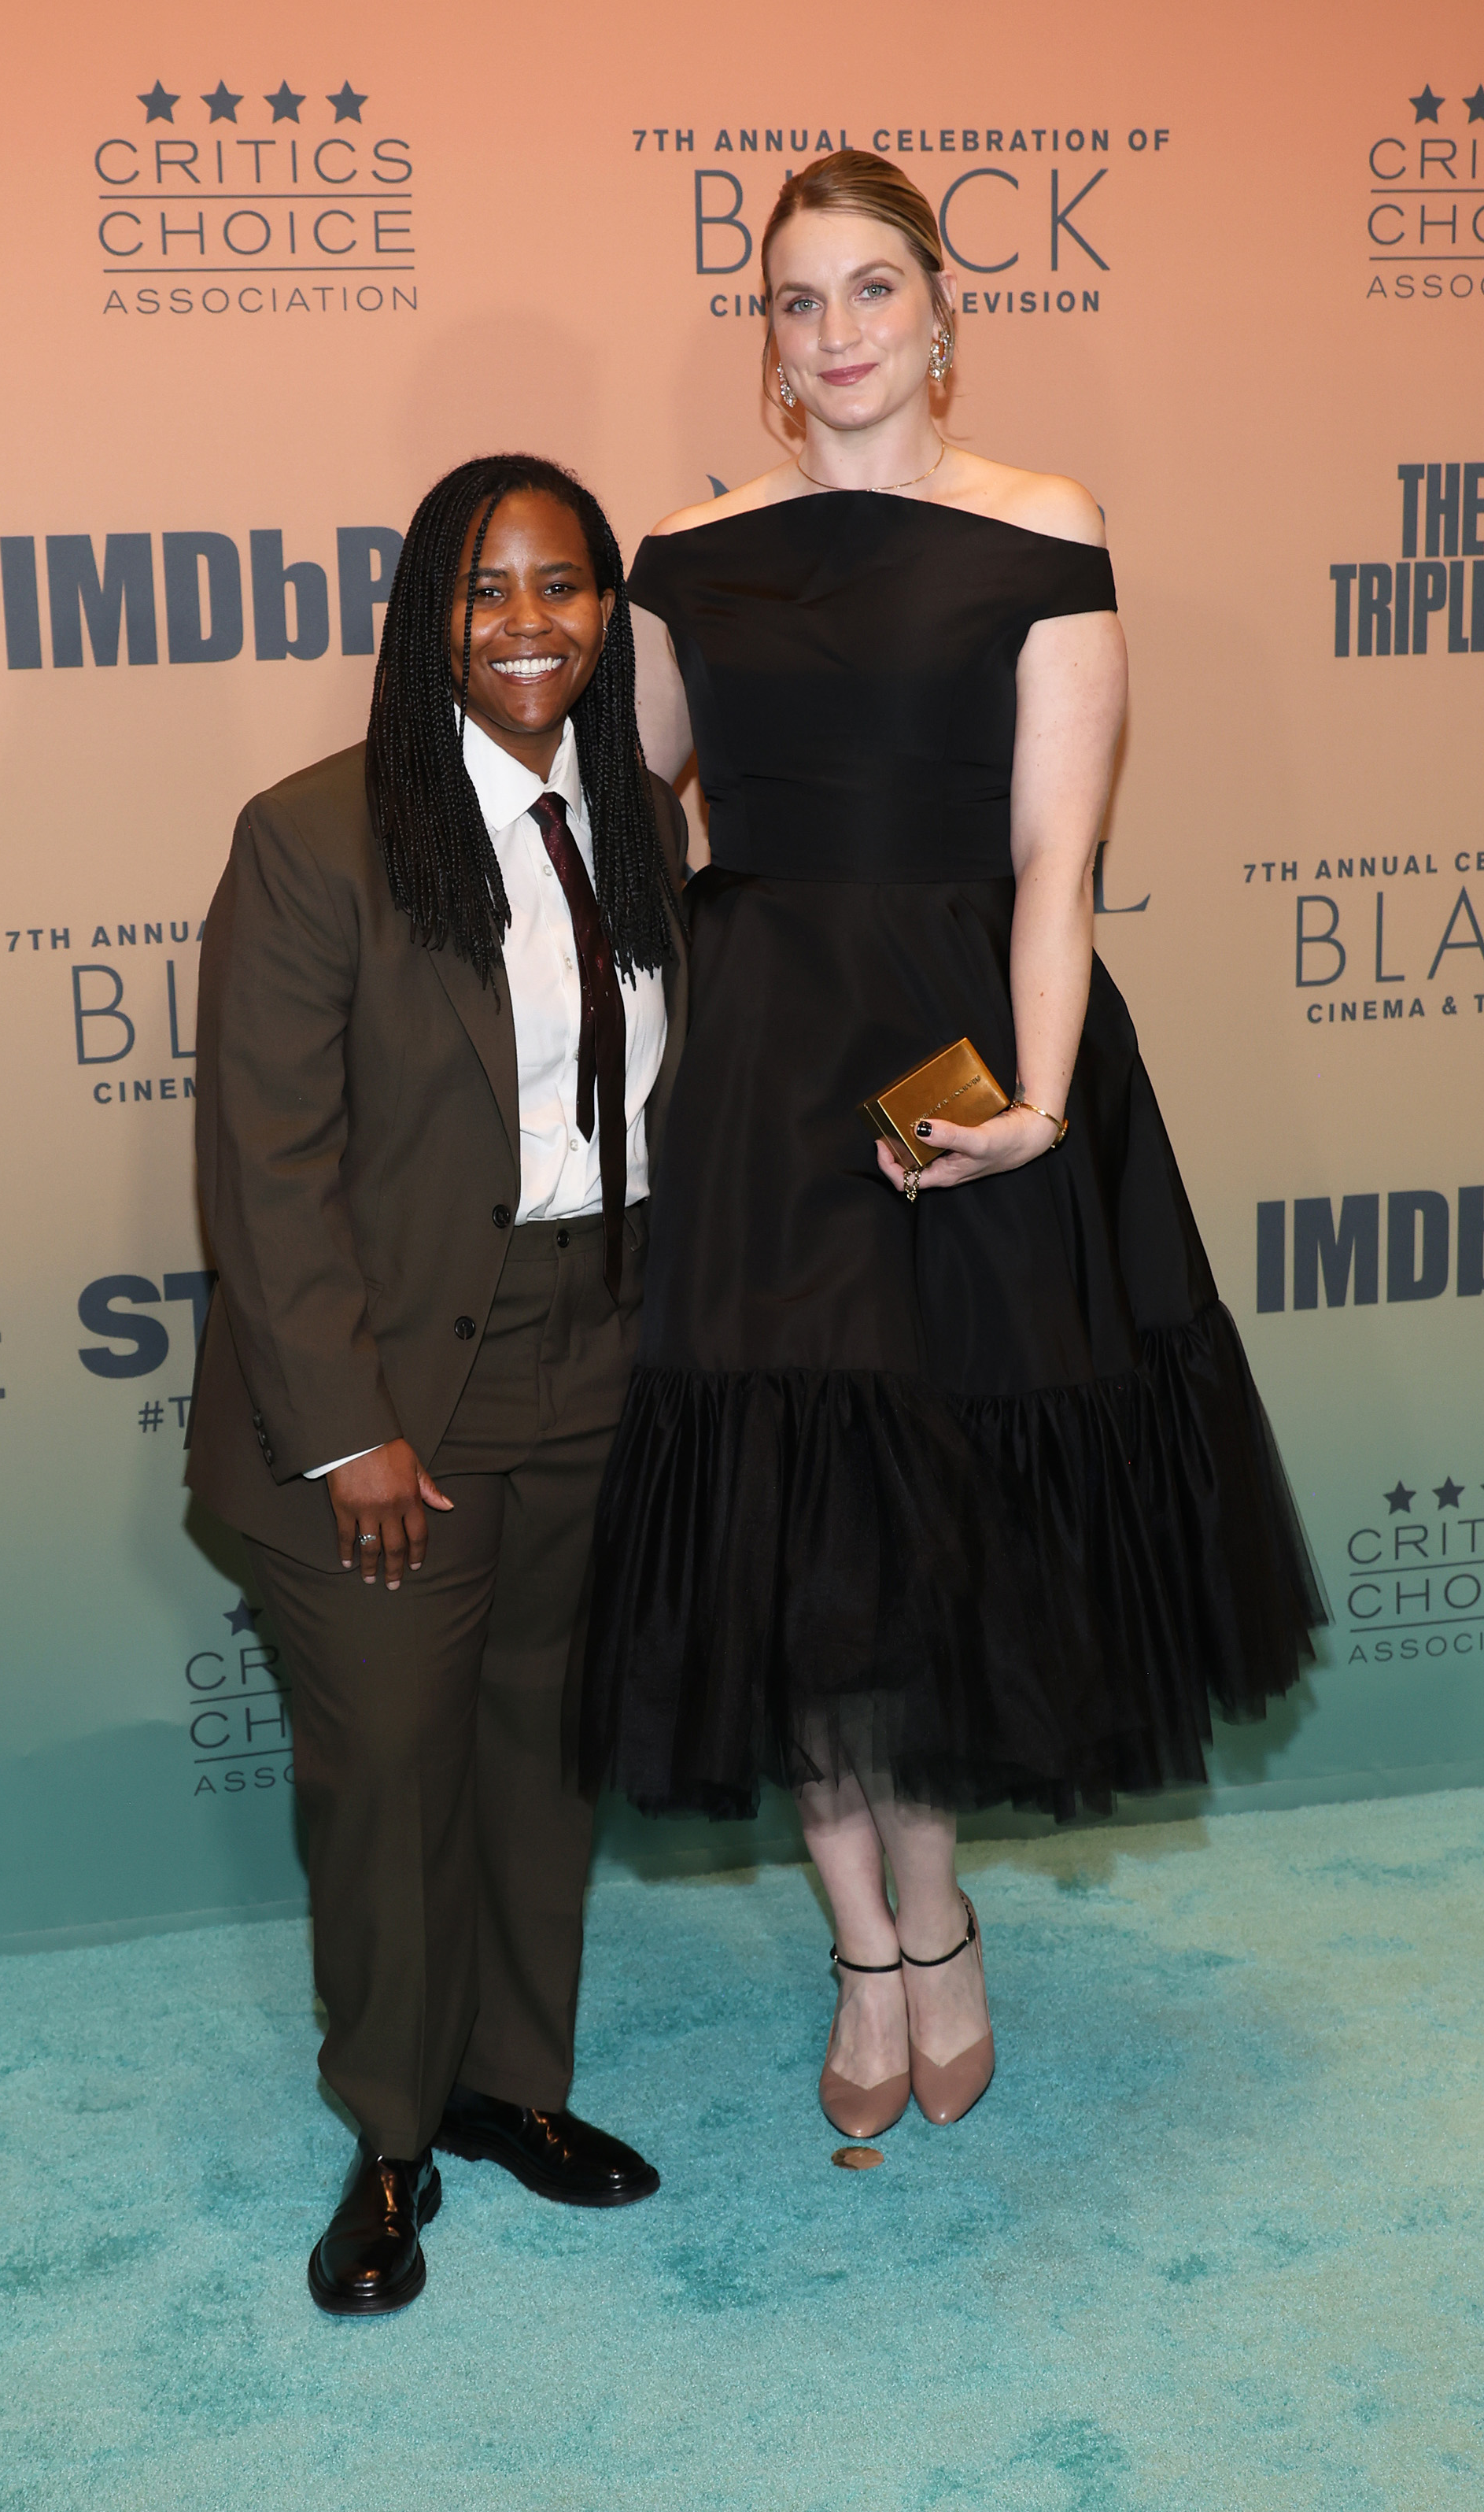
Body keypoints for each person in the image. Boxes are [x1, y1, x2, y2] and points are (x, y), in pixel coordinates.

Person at [580, 153, 1324, 2142]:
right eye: (795, 299)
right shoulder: (683, 550)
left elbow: (1053, 859)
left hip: (961, 1064)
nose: (833, 333)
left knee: (931, 1524)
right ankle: (868, 1951)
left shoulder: (1039, 529)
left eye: (868, 290)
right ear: (768, 338)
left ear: (937, 311)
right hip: (751, 1080)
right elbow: (625, 813)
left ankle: (943, 1916)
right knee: (790, 1530)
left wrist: (1039, 1109)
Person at [186, 454, 687, 2313]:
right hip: (388, 1398)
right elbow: (268, 1165)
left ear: (608, 611)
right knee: (395, 1777)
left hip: (596, 1358)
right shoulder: (317, 836)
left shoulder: (637, 817)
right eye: (486, 590)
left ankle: (506, 2090)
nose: (530, 623)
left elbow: (663, 1100)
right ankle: (391, 2145)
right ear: (424, 620)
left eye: (564, 585)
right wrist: (345, 1430)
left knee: (542, 1760)